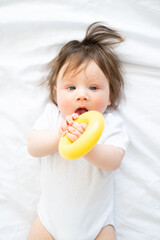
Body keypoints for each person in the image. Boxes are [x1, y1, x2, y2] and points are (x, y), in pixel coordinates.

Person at [27, 22, 129, 240]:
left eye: (93, 87)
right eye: (71, 88)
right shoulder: (53, 116)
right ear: (56, 93)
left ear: (110, 95)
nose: (82, 95)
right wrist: (60, 136)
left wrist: (87, 146)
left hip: (97, 224)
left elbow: (114, 161)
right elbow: (33, 146)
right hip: (49, 222)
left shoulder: (110, 123)